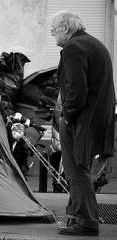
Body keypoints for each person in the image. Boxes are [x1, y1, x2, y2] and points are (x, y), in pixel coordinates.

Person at [50, 10, 115, 236]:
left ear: (66, 28)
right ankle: (76, 216)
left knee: (76, 170)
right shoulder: (92, 44)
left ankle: (86, 221)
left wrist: (67, 115)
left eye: (54, 29)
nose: (52, 33)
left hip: (80, 119)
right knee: (81, 169)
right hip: (97, 118)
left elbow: (76, 89)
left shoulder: (73, 47)